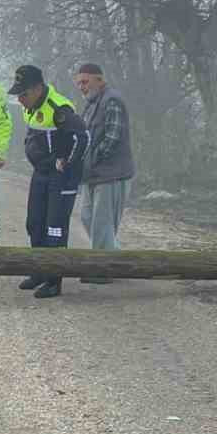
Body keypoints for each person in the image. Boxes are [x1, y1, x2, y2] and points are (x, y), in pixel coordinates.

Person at [7, 65, 89, 299]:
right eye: (18, 95)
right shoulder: (29, 107)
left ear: (37, 88)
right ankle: (39, 271)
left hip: (62, 178)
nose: (20, 100)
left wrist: (66, 163)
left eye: (23, 94)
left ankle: (54, 280)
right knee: (34, 223)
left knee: (55, 227)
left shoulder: (59, 107)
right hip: (41, 173)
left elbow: (83, 138)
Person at [72, 62, 135, 283]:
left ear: (100, 79)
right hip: (93, 175)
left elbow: (112, 137)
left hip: (112, 175)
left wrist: (91, 159)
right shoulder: (90, 104)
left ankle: (101, 270)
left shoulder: (112, 100)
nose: (81, 86)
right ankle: (119, 262)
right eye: (79, 82)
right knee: (87, 217)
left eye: (85, 81)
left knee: (101, 223)